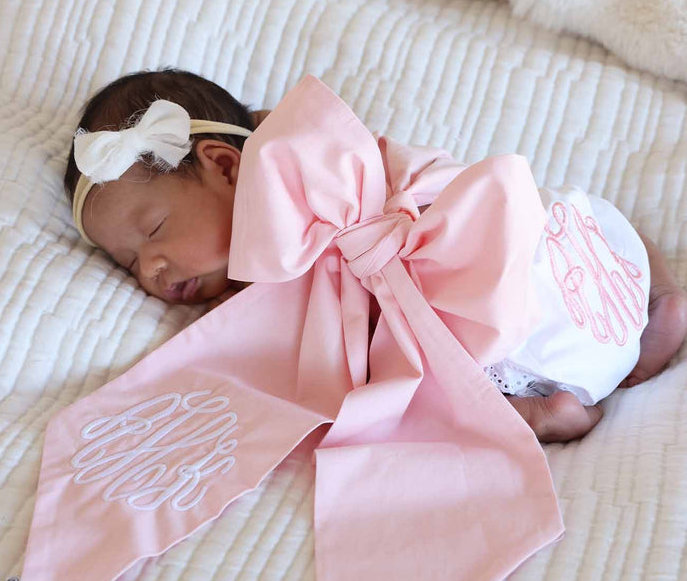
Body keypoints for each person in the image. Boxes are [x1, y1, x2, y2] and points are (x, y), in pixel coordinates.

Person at [64, 68, 687, 444]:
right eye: (127, 264)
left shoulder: (289, 213)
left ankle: (542, 413)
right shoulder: (320, 144)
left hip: (502, 313)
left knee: (404, 392)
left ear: (227, 166)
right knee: (575, 215)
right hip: (546, 246)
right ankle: (653, 302)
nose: (149, 269)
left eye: (154, 231)